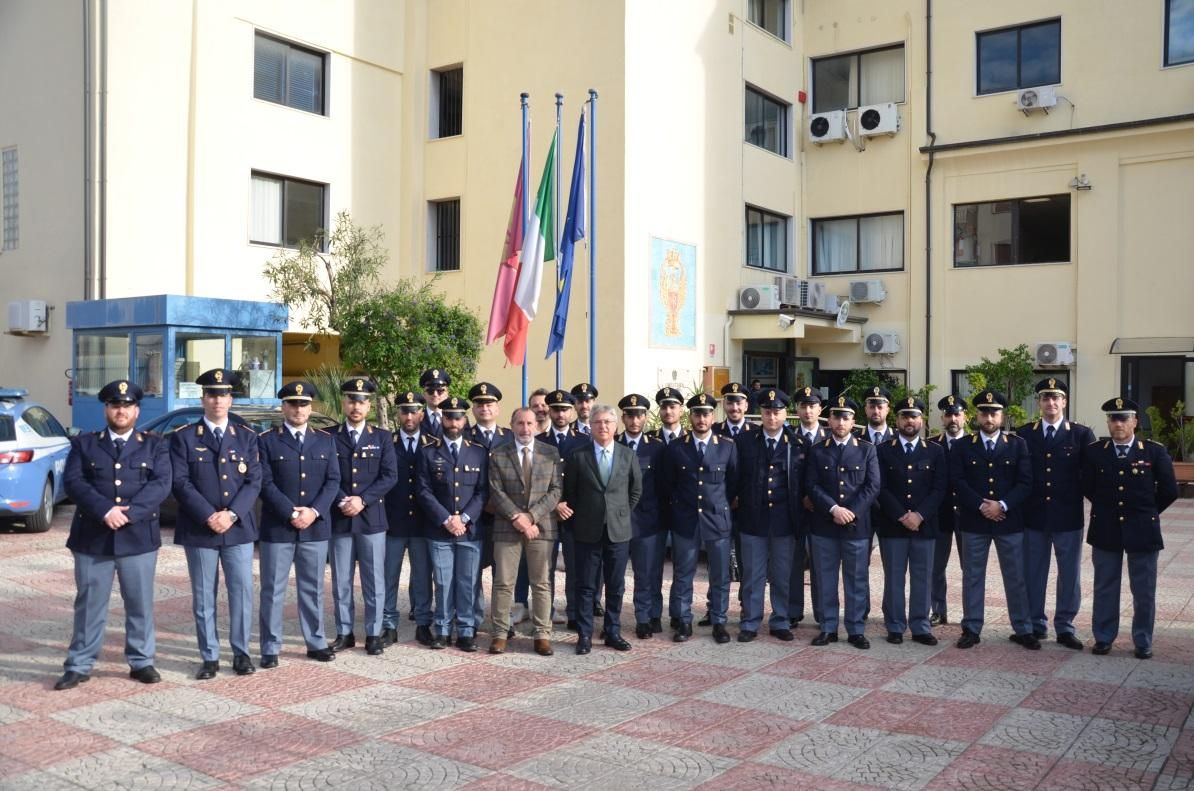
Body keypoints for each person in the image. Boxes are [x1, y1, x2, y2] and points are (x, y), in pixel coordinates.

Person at [56, 380, 172, 690]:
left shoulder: (155, 444)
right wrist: (106, 510)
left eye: (126, 406)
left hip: (138, 537)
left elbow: (161, 484)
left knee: (140, 603)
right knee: (89, 603)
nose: (120, 411)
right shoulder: (85, 444)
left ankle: (142, 661)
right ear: (106, 409)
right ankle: (79, 663)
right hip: (93, 537)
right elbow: (74, 482)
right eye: (114, 405)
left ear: (136, 410)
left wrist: (129, 514)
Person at [170, 368, 262, 679]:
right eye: (212, 394)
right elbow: (180, 482)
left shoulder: (247, 437)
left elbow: (254, 481)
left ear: (231, 398)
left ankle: (241, 653)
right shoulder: (183, 437)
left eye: (223, 394)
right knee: (203, 596)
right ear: (203, 398)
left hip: (238, 529)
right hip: (200, 528)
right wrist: (209, 515)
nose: (217, 400)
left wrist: (231, 514)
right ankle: (209, 656)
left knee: (241, 593)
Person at [1084, 397, 1178, 659]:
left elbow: (1169, 490)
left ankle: (1143, 640)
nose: (1118, 423)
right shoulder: (1095, 451)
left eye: (1123, 418)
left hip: (1143, 530)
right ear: (1108, 422)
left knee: (1144, 589)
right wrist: (1108, 509)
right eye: (1113, 418)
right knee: (1105, 586)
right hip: (1106, 528)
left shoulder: (1154, 451)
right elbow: (1088, 486)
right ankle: (1103, 637)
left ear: (1135, 421)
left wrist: (1147, 512)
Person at [258, 381, 341, 667]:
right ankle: (270, 646)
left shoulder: (325, 441)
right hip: (278, 528)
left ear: (311, 407)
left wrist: (314, 512)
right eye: (292, 403)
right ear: (283, 407)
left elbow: (333, 481)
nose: (298, 409)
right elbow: (264, 483)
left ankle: (315, 641)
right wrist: (291, 513)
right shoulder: (267, 440)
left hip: (315, 527)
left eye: (303, 403)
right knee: (272, 588)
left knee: (312, 588)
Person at [949, 389, 1037, 650]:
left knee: (1016, 576)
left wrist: (1002, 505)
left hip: (1008, 521)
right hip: (974, 521)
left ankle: (1023, 628)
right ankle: (971, 628)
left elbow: (1025, 482)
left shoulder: (1018, 444)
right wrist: (981, 505)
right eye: (985, 412)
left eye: (994, 412)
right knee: (973, 576)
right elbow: (957, 481)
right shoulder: (963, 446)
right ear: (976, 415)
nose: (989, 417)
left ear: (1002, 415)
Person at [1017, 378, 1095, 650]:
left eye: (1056, 397)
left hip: (1068, 517)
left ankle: (1065, 626)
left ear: (1064, 402)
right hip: (1034, 517)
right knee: (1033, 574)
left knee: (1069, 575)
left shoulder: (1081, 435)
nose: (1051, 402)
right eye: (1045, 398)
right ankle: (1035, 624)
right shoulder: (1025, 434)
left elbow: (1092, 476)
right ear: (1039, 402)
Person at [561, 404, 642, 654]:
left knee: (616, 585)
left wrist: (618, 513)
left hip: (618, 532)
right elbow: (570, 493)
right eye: (598, 422)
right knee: (586, 585)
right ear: (591, 427)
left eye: (607, 422)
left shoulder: (627, 455)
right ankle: (584, 634)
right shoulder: (578, 455)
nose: (603, 426)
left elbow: (635, 491)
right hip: (587, 531)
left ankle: (612, 631)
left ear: (615, 426)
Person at [661, 393, 738, 643]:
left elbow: (734, 483)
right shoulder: (677, 447)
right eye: (697, 413)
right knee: (683, 573)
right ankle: (683, 621)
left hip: (717, 520)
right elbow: (669, 483)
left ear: (713, 416)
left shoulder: (727, 445)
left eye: (706, 413)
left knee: (720, 574)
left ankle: (719, 620)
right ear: (690, 416)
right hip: (686, 521)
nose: (702, 418)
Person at [329, 378, 398, 656]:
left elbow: (389, 476)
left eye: (361, 401)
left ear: (369, 405)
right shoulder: (329, 436)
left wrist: (362, 499)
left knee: (373, 580)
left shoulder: (381, 437)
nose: (356, 406)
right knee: (341, 580)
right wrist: (343, 499)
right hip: (341, 518)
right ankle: (344, 632)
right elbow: (326, 476)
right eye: (351, 400)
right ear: (343, 403)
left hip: (371, 520)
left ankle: (373, 633)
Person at [486, 407, 562, 656]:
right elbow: (495, 490)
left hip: (541, 527)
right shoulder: (498, 454)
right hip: (507, 527)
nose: (525, 428)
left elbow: (556, 490)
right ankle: (499, 633)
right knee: (503, 583)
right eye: (520, 423)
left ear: (538, 426)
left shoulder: (551, 453)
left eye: (530, 423)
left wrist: (531, 517)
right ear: (512, 424)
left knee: (541, 583)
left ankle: (542, 634)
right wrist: (516, 517)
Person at [805, 396, 880, 649]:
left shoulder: (867, 449)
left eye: (846, 417)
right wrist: (834, 508)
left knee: (856, 579)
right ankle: (828, 628)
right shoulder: (818, 449)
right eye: (836, 416)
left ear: (853, 421)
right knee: (825, 579)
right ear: (830, 420)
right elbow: (811, 484)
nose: (840, 422)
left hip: (856, 527)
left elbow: (872, 486)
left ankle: (856, 629)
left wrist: (851, 512)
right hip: (825, 524)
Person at [416, 395, 489, 651]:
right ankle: (443, 629)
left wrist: (464, 518)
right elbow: (423, 490)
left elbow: (483, 491)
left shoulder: (478, 451)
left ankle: (467, 630)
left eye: (458, 416)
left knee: (467, 581)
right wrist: (447, 519)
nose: (453, 421)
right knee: (444, 581)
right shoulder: (428, 451)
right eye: (448, 416)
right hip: (440, 530)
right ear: (442, 419)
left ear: (465, 419)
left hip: (470, 531)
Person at [875, 397, 947, 645]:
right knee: (894, 578)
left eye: (914, 416)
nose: (909, 421)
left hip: (924, 526)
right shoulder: (883, 450)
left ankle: (920, 626)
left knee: (922, 577)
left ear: (922, 420)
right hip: (893, 526)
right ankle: (895, 625)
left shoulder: (936, 451)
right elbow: (880, 487)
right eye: (905, 416)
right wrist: (901, 515)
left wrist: (919, 515)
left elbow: (939, 489)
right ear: (897, 420)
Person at [735, 389, 805, 643]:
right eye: (767, 412)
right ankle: (750, 621)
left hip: (785, 520)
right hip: (753, 518)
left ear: (786, 414)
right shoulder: (745, 441)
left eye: (777, 412)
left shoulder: (797, 443)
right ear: (761, 414)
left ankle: (780, 619)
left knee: (782, 574)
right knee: (752, 575)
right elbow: (735, 478)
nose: (772, 417)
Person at [383, 390, 437, 646]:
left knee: (423, 576)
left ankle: (424, 623)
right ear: (398, 414)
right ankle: (388, 624)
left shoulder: (432, 444)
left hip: (423, 523)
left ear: (421, 413)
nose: (409, 416)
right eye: (404, 410)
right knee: (389, 575)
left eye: (414, 410)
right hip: (393, 522)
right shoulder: (387, 442)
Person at [617, 394, 667, 639]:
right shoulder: (613, 444)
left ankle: (647, 617)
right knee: (615, 575)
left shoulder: (657, 447)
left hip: (648, 521)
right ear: (623, 418)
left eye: (639, 415)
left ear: (646, 417)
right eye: (630, 415)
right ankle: (613, 619)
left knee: (648, 573)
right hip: (617, 521)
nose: (635, 420)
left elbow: (665, 485)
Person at [539, 389, 589, 630]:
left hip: (573, 514)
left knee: (574, 567)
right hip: (546, 514)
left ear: (572, 410)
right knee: (544, 569)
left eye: (565, 409)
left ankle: (574, 614)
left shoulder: (584, 441)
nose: (560, 413)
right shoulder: (539, 441)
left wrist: (570, 505)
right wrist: (554, 504)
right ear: (549, 410)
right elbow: (534, 481)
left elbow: (588, 480)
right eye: (556, 409)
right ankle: (544, 613)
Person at [927, 394, 968, 625]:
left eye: (957, 414)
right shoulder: (932, 445)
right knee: (936, 567)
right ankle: (937, 610)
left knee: (969, 568)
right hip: (939, 515)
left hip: (968, 515)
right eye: (948, 414)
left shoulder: (973, 444)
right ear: (942, 417)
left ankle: (969, 612)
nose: (953, 418)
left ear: (965, 417)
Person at [790, 385, 825, 627]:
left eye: (812, 406)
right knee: (793, 563)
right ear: (797, 409)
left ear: (820, 408)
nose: (808, 410)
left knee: (821, 566)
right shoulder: (788, 437)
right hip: (794, 510)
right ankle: (793, 611)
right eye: (803, 406)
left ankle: (823, 614)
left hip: (822, 512)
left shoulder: (830, 437)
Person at [419, 368, 451, 437]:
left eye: (440, 391)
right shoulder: (416, 418)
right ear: (424, 394)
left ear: (447, 394)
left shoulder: (457, 418)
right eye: (430, 391)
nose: (435, 394)